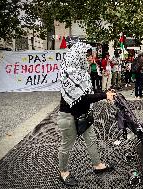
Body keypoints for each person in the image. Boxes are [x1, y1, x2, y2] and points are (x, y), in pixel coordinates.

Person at [58, 42, 116, 186]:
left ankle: (97, 165)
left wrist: (106, 93)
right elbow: (81, 99)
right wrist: (104, 96)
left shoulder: (82, 73)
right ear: (77, 56)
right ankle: (63, 172)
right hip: (69, 116)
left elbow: (88, 93)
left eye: (90, 55)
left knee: (92, 140)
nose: (90, 58)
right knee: (67, 145)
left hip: (84, 114)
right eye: (87, 55)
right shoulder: (69, 73)